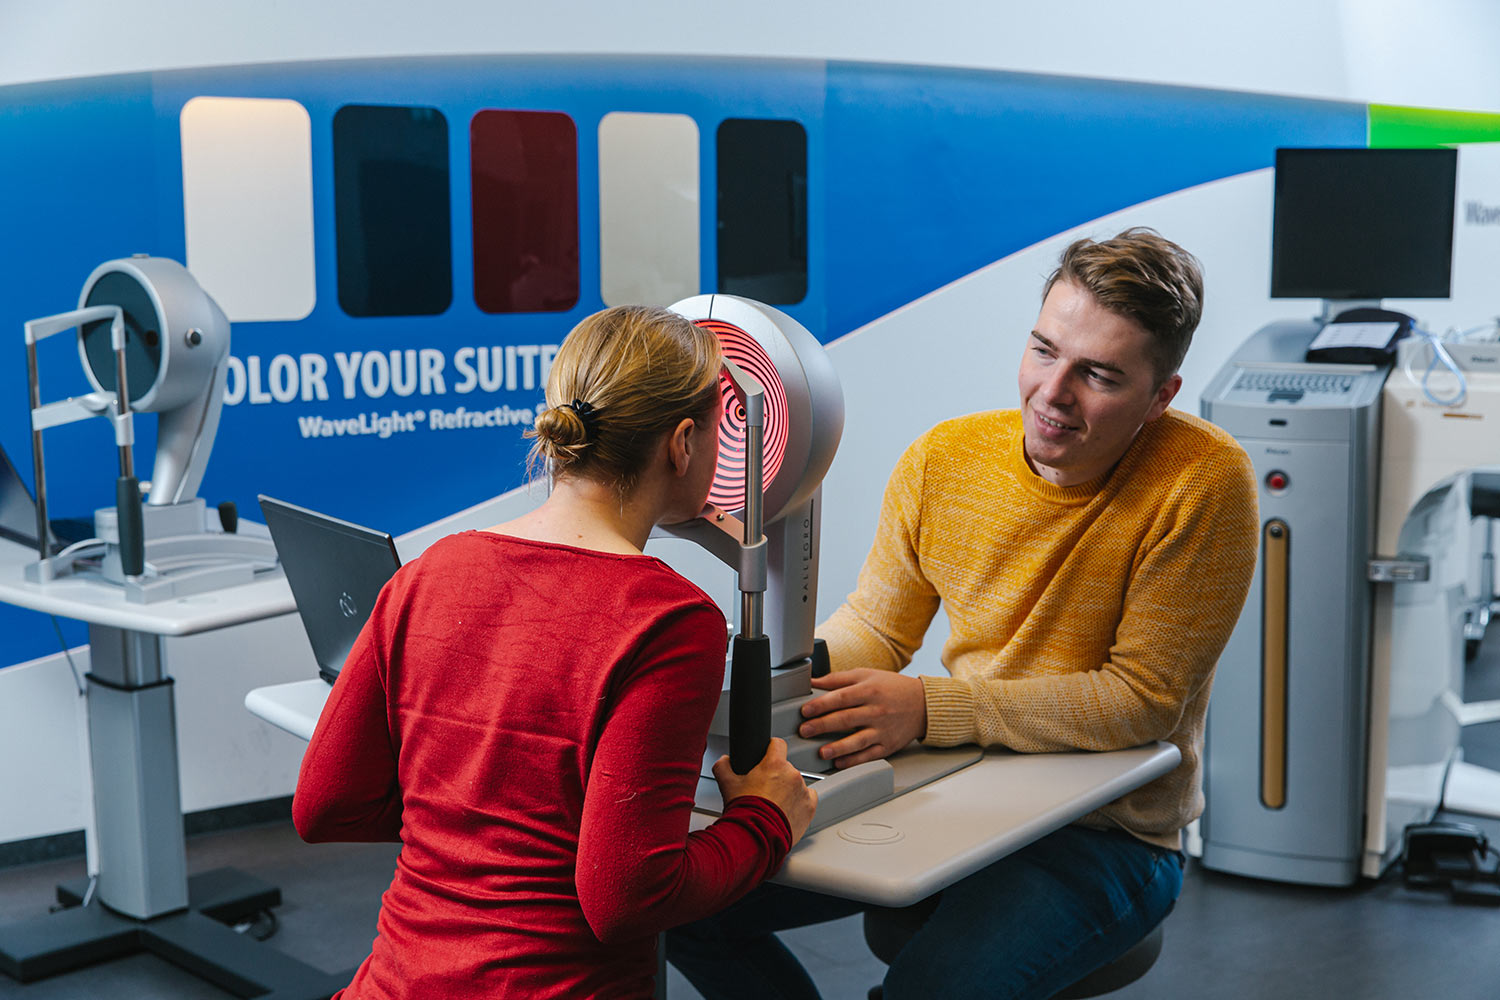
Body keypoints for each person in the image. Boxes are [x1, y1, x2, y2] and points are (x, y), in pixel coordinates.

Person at [668, 228, 1259, 1000]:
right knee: (682, 905)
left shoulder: (1203, 479)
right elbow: (877, 630)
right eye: (1044, 350)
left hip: (1107, 833)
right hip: (961, 786)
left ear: (1161, 397)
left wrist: (930, 708)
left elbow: (1142, 701)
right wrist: (780, 677)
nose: (1053, 393)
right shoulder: (944, 459)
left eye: (1099, 375)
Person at [293, 305, 818, 999]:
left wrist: (473, 819)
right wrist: (766, 819)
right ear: (683, 443)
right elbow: (627, 898)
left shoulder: (430, 571)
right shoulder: (668, 619)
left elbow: (325, 806)